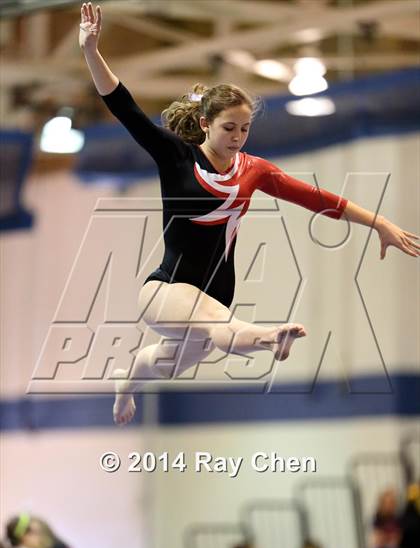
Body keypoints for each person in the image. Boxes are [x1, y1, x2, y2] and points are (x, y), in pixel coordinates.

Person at [79, 3, 420, 426]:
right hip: (168, 290)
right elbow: (123, 106)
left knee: (171, 360)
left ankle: (126, 380)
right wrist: (92, 50)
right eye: (229, 128)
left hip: (218, 293)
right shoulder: (175, 157)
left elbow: (316, 198)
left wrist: (379, 223)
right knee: (222, 326)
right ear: (205, 123)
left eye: (244, 129)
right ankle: (268, 336)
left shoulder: (254, 170)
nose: (238, 138)